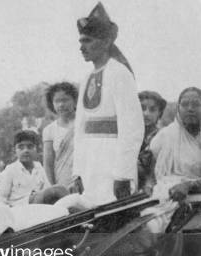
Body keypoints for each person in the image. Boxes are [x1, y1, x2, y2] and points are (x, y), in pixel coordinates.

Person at [72, 2, 144, 204]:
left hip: (113, 166)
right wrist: (78, 171)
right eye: (80, 41)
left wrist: (123, 174)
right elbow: (79, 129)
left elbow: (132, 129)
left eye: (87, 41)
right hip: (90, 166)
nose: (81, 47)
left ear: (104, 43)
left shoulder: (120, 74)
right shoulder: (86, 78)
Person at [150, 87, 201, 202]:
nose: (190, 109)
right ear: (178, 108)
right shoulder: (165, 136)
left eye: (196, 104)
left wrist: (189, 185)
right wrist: (149, 185)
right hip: (167, 197)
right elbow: (150, 168)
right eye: (184, 104)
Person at [0, 131, 67, 207]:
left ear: (36, 149)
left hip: (39, 205)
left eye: (30, 147)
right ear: (15, 151)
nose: (26, 150)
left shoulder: (39, 167)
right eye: (21, 147)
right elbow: (2, 198)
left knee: (60, 193)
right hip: (20, 207)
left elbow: (47, 188)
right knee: (58, 190)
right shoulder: (10, 170)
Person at [43, 82, 78, 187]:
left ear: (75, 101)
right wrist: (55, 187)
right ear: (52, 104)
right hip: (63, 182)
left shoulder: (84, 123)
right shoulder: (49, 130)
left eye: (65, 100)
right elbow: (48, 163)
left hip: (86, 178)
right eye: (57, 101)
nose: (61, 105)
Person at [137, 91, 167, 194]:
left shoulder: (163, 136)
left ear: (159, 113)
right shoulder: (128, 136)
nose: (146, 113)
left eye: (152, 110)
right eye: (142, 108)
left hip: (151, 190)